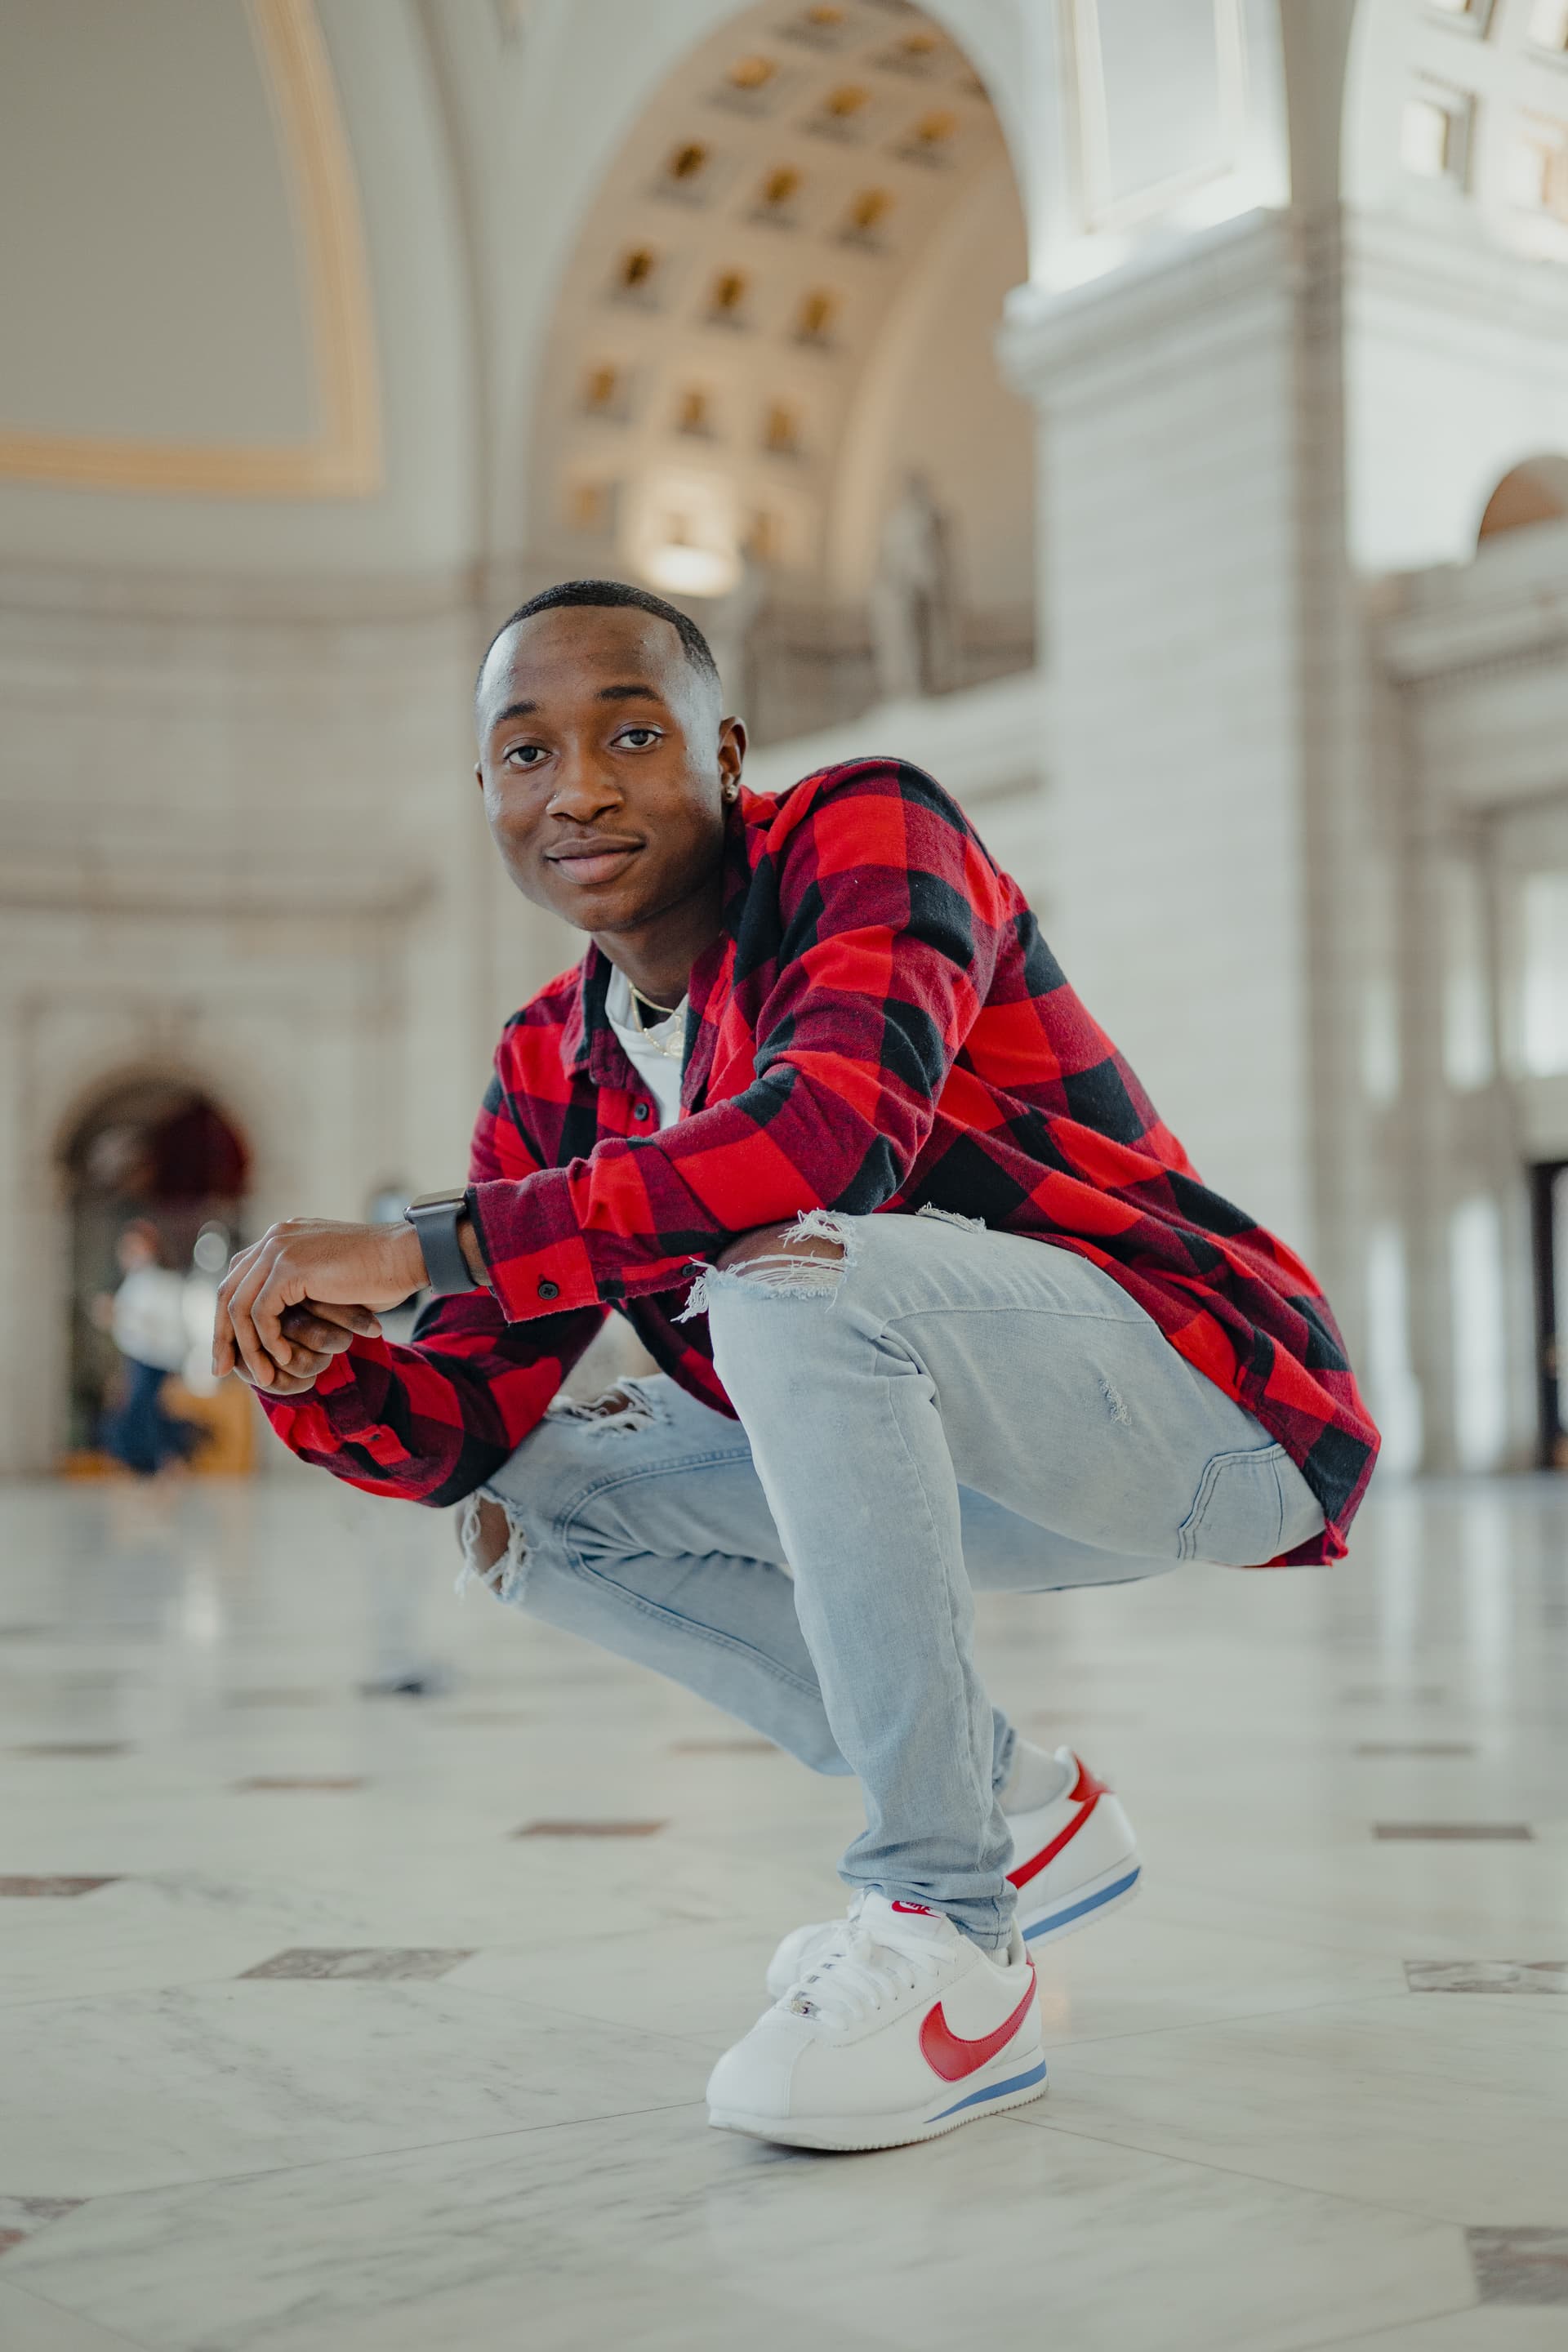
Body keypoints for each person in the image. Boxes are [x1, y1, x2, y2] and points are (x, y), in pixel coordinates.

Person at [211, 579, 1379, 2153]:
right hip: (944, 1458)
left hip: (1203, 1402)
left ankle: (951, 1932)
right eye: (525, 753)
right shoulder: (548, 1061)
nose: (582, 787)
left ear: (730, 752)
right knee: (526, 1512)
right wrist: (307, 1369)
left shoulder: (868, 834)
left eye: (634, 734)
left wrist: (421, 1246)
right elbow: (465, 1429)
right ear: (486, 793)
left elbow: (822, 1137)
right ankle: (1017, 1809)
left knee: (786, 1278)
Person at [98, 1220, 202, 1475]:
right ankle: (153, 1467)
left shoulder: (163, 1281)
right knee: (142, 1415)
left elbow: (164, 1324)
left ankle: (167, 1462)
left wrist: (120, 1314)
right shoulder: (135, 1281)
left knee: (145, 1414)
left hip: (157, 1358)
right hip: (138, 1356)